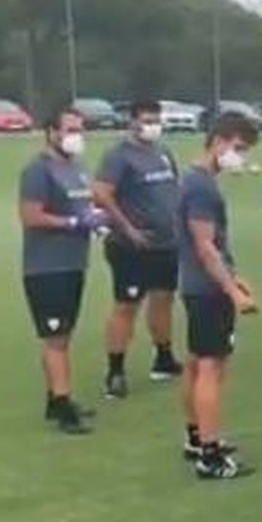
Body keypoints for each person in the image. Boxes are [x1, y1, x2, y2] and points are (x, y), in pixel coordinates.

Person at [178, 113, 262, 480]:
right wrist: (232, 291)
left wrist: (234, 276)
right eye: (238, 148)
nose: (240, 157)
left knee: (197, 363)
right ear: (218, 141)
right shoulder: (201, 187)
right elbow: (205, 246)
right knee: (211, 367)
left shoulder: (199, 181)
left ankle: (197, 437)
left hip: (201, 284)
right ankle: (209, 455)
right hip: (207, 289)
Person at [20, 107, 106, 434]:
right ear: (51, 132)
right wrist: (71, 222)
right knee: (55, 339)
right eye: (70, 130)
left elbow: (85, 207)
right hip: (46, 267)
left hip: (73, 263)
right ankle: (64, 405)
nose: (76, 136)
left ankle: (55, 400)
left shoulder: (76, 168)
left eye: (80, 130)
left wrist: (96, 219)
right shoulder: (37, 171)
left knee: (63, 336)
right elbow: (30, 216)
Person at [94, 99, 182, 399]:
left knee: (163, 299)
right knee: (126, 306)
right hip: (131, 246)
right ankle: (115, 371)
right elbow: (102, 194)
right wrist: (128, 228)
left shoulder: (163, 152)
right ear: (131, 121)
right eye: (146, 120)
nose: (152, 125)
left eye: (156, 119)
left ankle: (164, 357)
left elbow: (174, 191)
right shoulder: (118, 156)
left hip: (166, 243)